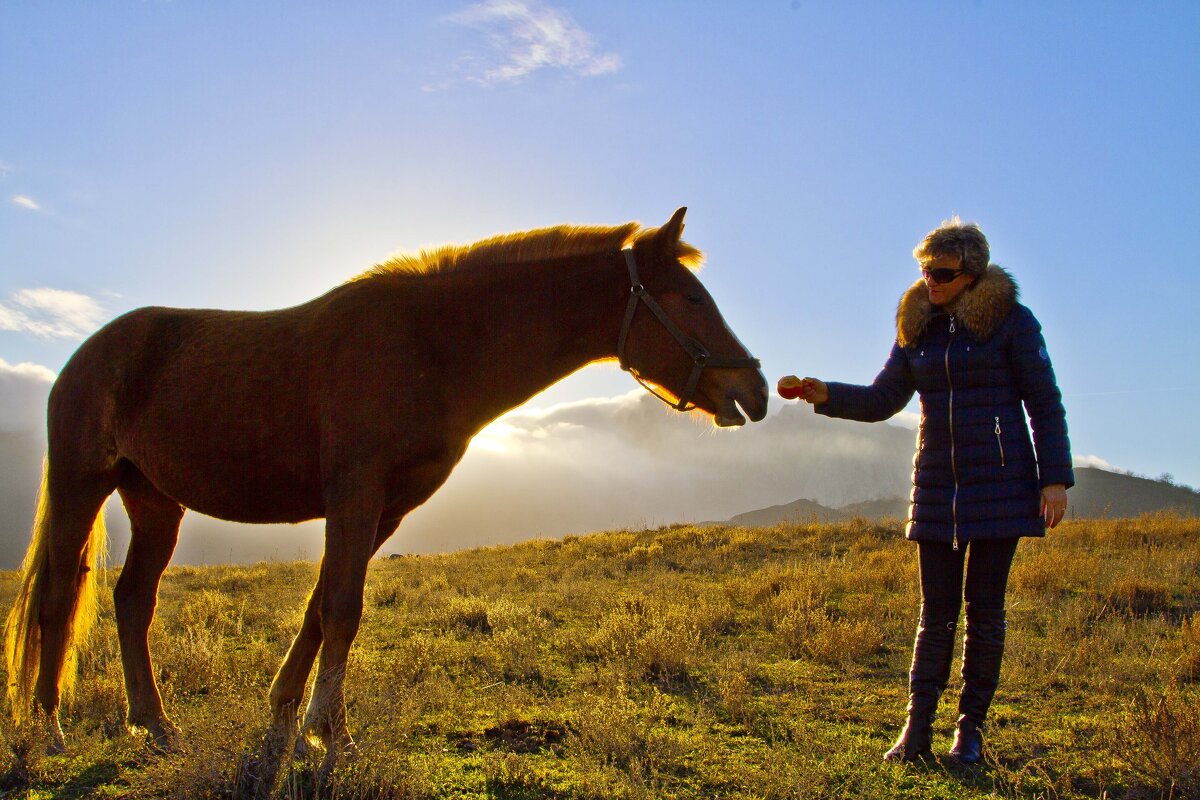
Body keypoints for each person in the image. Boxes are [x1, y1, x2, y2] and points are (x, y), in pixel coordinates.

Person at [779, 218, 1072, 765]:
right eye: (925, 270)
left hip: (1002, 488)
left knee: (985, 613)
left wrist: (1054, 479)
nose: (930, 281)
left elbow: (1044, 402)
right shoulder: (917, 328)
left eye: (942, 272)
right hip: (936, 486)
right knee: (934, 613)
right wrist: (826, 394)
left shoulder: (1013, 323)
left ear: (971, 275)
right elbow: (883, 398)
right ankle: (915, 733)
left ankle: (970, 734)